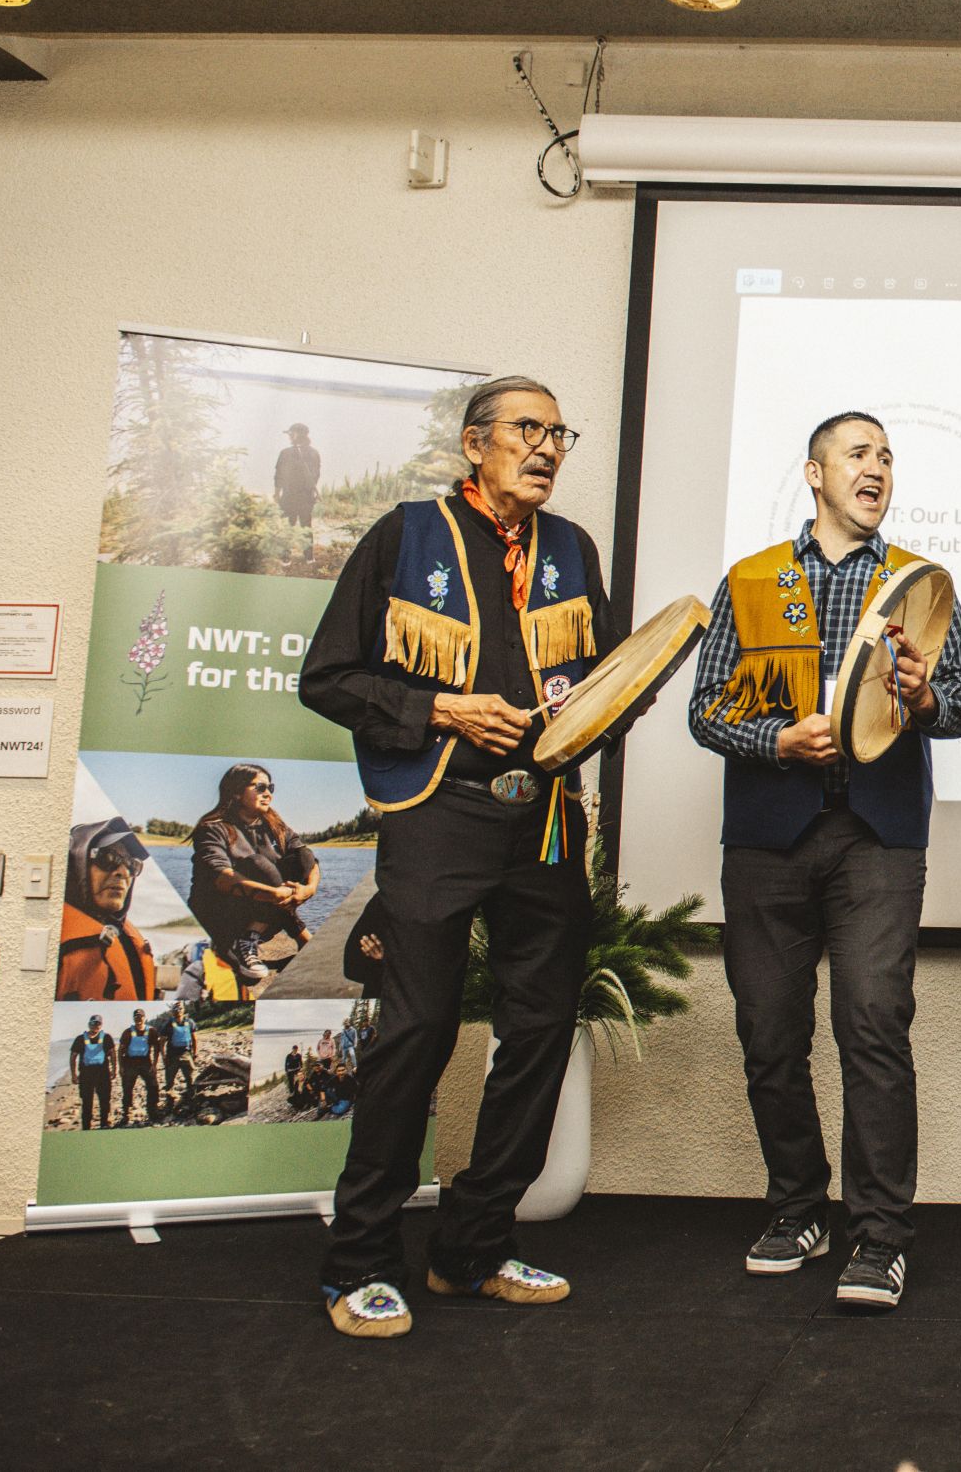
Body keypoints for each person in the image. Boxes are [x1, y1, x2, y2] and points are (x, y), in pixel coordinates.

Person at [299, 374, 625, 1339]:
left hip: (547, 820)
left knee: (541, 1029)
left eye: (559, 433)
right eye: (528, 429)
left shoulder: (572, 549)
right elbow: (327, 677)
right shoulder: (405, 536)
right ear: (474, 444)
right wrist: (443, 709)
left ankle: (471, 1249)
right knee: (417, 1029)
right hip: (439, 812)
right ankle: (359, 1261)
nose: (548, 447)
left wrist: (605, 705)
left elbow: (609, 681)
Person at [687, 409, 961, 1312]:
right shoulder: (750, 579)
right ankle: (796, 1207)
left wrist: (924, 698)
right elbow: (705, 708)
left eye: (886, 456)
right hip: (767, 839)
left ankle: (880, 1235)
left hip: (877, 839)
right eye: (858, 453)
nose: (876, 468)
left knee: (873, 1026)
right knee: (769, 1033)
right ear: (815, 474)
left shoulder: (920, 583)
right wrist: (777, 741)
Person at [187, 764, 319, 984]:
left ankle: (253, 936)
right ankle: (251, 942)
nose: (268, 794)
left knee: (303, 856)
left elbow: (310, 862)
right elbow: (221, 878)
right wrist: (275, 894)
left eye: (270, 788)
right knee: (259, 864)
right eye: (260, 787)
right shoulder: (212, 828)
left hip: (260, 914)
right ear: (236, 792)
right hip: (220, 914)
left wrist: (309, 889)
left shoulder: (275, 826)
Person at [58, 819, 158, 1002]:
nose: (123, 872)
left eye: (132, 865)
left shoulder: (128, 939)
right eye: (108, 858)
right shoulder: (53, 939)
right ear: (76, 864)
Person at [117, 1007, 161, 1126]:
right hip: (130, 1062)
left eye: (140, 1017)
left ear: (144, 1018)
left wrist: (154, 1064)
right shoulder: (127, 1032)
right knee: (127, 1088)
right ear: (133, 1018)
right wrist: (121, 1067)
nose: (138, 1019)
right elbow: (120, 1050)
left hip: (145, 1061)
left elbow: (157, 1048)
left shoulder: (151, 1031)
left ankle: (152, 1111)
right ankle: (126, 1113)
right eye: (136, 1017)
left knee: (153, 1085)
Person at [70, 1014, 115, 1130]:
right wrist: (73, 1074)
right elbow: (73, 1056)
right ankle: (86, 1127)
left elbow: (112, 1054)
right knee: (87, 1102)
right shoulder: (80, 1039)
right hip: (86, 1075)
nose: (95, 1025)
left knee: (105, 1100)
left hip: (103, 1074)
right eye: (93, 1023)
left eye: (98, 1023)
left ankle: (104, 1124)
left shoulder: (107, 1038)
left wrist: (114, 1070)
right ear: (89, 1024)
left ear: (101, 1025)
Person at [277, 422, 322, 529]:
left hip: (289, 496)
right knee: (305, 528)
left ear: (298, 435)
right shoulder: (314, 453)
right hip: (306, 496)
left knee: (286, 528)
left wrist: (277, 493)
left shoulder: (285, 453)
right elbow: (316, 476)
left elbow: (279, 476)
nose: (289, 437)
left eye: (291, 434)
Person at [161, 1005, 200, 1099]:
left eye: (180, 1008)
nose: (178, 1011)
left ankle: (191, 1099)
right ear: (172, 1011)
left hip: (186, 1054)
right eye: (175, 1009)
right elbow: (162, 1042)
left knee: (190, 1079)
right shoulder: (168, 1024)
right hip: (172, 1056)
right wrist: (164, 1056)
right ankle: (170, 1101)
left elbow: (194, 1039)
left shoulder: (190, 1022)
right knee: (169, 1081)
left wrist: (195, 1053)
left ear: (184, 1010)